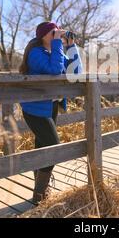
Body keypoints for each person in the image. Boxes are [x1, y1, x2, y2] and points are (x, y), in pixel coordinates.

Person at [19, 21, 82, 204]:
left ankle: (40, 194)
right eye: (55, 32)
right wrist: (57, 44)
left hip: (50, 106)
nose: (59, 35)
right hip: (35, 108)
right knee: (53, 146)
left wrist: (71, 46)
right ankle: (39, 195)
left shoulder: (55, 52)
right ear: (45, 35)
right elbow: (55, 70)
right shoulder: (35, 53)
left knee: (43, 147)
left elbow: (76, 72)